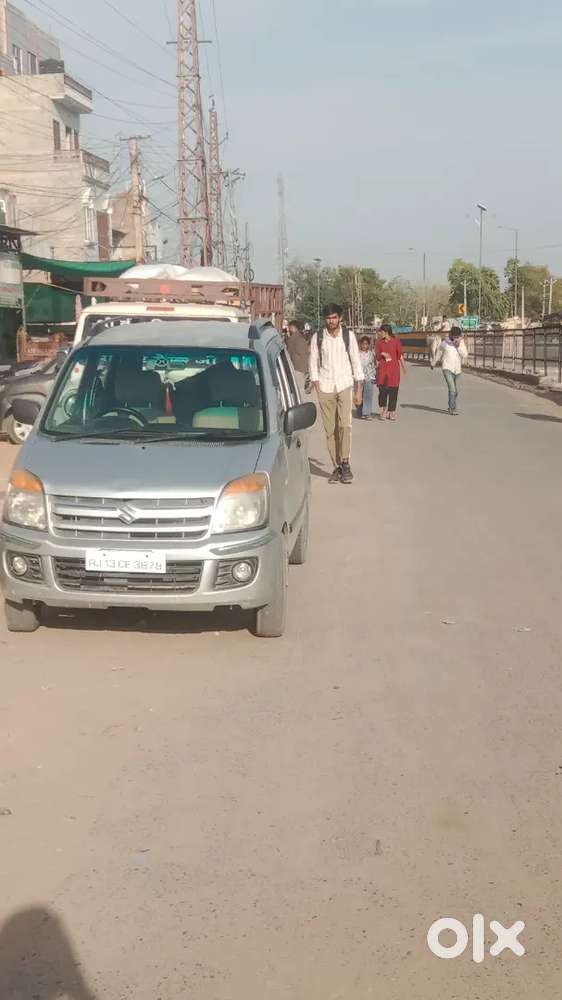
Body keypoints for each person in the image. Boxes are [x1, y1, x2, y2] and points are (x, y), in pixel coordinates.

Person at [309, 303, 364, 484]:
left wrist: (359, 389)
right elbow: (313, 361)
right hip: (325, 387)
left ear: (340, 318)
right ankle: (337, 465)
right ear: (324, 319)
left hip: (344, 384)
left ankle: (346, 462)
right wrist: (317, 385)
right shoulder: (318, 338)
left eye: (334, 317)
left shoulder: (348, 337)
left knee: (345, 425)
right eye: (328, 318)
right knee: (330, 430)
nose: (331, 321)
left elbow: (356, 361)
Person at [376, 324, 406, 421]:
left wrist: (404, 367)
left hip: (393, 370)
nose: (380, 333)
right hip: (383, 370)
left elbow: (400, 355)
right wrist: (381, 354)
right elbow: (376, 356)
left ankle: (392, 411)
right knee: (383, 391)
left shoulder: (396, 341)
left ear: (386, 332)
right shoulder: (379, 342)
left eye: (381, 332)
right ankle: (384, 410)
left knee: (393, 391)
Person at [439, 326, 468, 415]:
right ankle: (452, 408)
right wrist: (433, 362)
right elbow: (439, 352)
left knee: (454, 391)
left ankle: (451, 405)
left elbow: (465, 355)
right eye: (454, 337)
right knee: (452, 389)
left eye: (457, 337)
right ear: (451, 335)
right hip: (447, 368)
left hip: (457, 370)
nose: (456, 338)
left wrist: (458, 346)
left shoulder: (461, 343)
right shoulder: (445, 343)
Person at [285, 320, 310, 397]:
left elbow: (289, 354)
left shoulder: (293, 339)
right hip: (303, 368)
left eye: (289, 328)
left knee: (298, 390)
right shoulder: (301, 337)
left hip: (297, 368)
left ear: (293, 327)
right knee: (300, 389)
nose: (288, 329)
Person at [358, 335, 377, 419]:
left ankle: (367, 413)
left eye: (366, 344)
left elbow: (375, 363)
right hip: (359, 377)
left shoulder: (371, 353)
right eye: (363, 344)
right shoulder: (357, 354)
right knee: (359, 395)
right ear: (360, 344)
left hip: (369, 376)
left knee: (368, 395)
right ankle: (361, 410)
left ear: (369, 345)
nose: (364, 346)